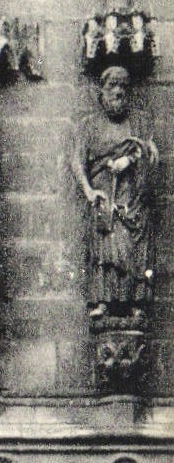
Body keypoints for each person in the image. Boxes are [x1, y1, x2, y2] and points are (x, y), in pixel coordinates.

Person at [70, 65, 158, 317]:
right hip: (105, 198)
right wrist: (89, 191)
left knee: (134, 248)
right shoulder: (89, 125)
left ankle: (135, 302)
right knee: (107, 248)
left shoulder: (139, 122)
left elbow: (150, 153)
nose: (119, 91)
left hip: (132, 199)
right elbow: (77, 161)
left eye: (124, 86)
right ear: (102, 90)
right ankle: (103, 301)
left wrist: (130, 159)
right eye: (112, 85)